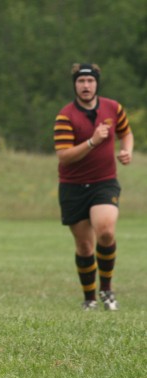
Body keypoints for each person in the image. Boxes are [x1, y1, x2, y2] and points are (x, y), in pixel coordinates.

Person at [53, 63, 133, 311]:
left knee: (106, 231)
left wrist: (126, 150)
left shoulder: (113, 107)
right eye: (81, 82)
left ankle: (107, 291)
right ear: (75, 85)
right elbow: (64, 156)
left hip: (104, 182)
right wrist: (92, 141)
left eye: (90, 81)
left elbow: (126, 133)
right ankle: (89, 298)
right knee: (85, 245)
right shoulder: (65, 116)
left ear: (96, 83)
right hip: (73, 187)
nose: (85, 86)